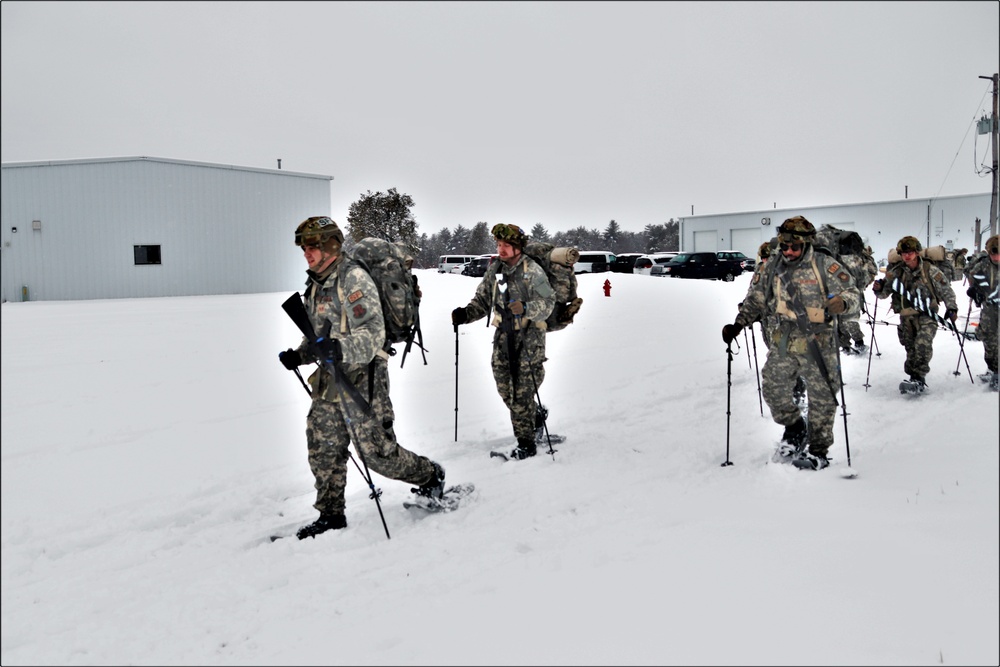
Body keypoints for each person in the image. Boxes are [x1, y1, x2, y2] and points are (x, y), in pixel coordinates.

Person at [278, 216, 445, 539]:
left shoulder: (354, 279)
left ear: (330, 246)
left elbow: (372, 336)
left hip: (363, 377)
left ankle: (430, 475)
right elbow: (318, 334)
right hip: (329, 377)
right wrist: (299, 355)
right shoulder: (316, 282)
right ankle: (330, 515)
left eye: (312, 247)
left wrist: (337, 349)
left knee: (378, 454)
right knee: (323, 446)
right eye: (304, 248)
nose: (306, 253)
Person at [721, 216, 861, 470]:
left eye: (794, 247)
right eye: (784, 246)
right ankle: (796, 427)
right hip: (784, 337)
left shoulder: (824, 265)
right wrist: (739, 324)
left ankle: (819, 450)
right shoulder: (772, 266)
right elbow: (757, 298)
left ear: (806, 244)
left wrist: (842, 302)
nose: (788, 251)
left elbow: (852, 293)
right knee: (773, 390)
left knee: (823, 397)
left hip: (818, 340)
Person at [451, 223, 556, 461]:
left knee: (521, 394)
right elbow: (482, 300)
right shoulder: (495, 269)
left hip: (529, 338)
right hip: (502, 336)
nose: (502, 249)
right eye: (499, 245)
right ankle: (535, 417)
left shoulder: (532, 270)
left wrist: (526, 307)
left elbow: (548, 303)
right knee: (505, 388)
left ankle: (526, 444)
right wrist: (465, 314)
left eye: (507, 245)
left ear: (518, 247)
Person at [872, 235, 959, 393]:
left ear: (917, 252)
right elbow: (884, 294)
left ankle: (919, 378)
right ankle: (912, 377)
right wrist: (878, 288)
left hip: (927, 315)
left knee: (923, 344)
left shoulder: (929, 270)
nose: (907, 256)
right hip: (906, 316)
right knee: (911, 348)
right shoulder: (895, 272)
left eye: (910, 252)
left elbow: (946, 291)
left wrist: (951, 307)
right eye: (903, 253)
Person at [964, 234, 999, 390]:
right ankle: (992, 368)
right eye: (993, 253)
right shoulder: (983, 265)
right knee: (988, 338)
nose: (996, 257)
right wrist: (975, 291)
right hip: (989, 308)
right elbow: (970, 274)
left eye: (998, 253)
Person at [836, 244, 878, 355]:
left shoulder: (859, 258)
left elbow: (869, 274)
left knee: (850, 319)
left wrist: (860, 285)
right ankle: (845, 345)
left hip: (853, 292)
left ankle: (859, 343)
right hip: (837, 292)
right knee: (839, 321)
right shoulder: (835, 257)